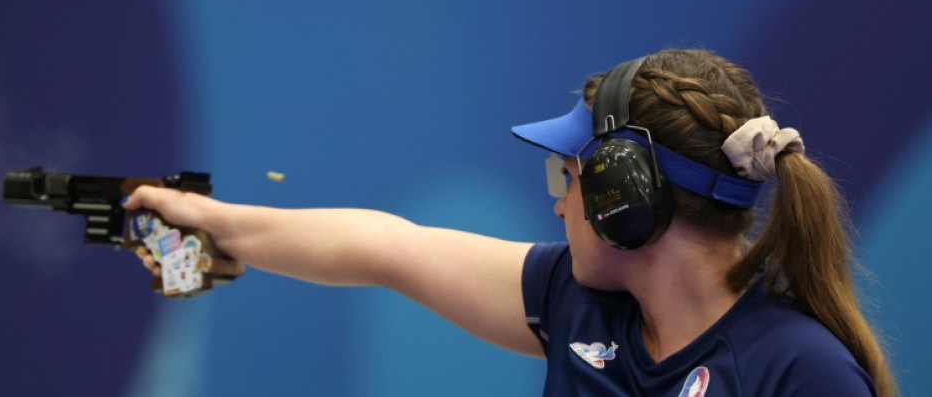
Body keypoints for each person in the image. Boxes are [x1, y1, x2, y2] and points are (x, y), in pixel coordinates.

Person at [126, 48, 896, 396]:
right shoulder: (575, 299)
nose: (560, 201)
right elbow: (388, 247)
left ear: (628, 193)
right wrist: (206, 221)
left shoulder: (798, 372)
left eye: (571, 176)